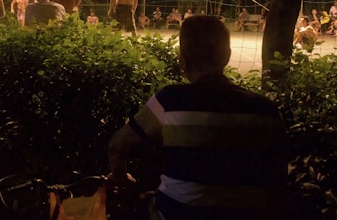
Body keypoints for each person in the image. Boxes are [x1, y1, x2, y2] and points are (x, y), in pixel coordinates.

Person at [108, 15, 288, 219]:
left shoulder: (170, 101)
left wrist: (122, 179)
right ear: (227, 56)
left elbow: (117, 145)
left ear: (182, 61)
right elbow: (278, 177)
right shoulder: (265, 110)